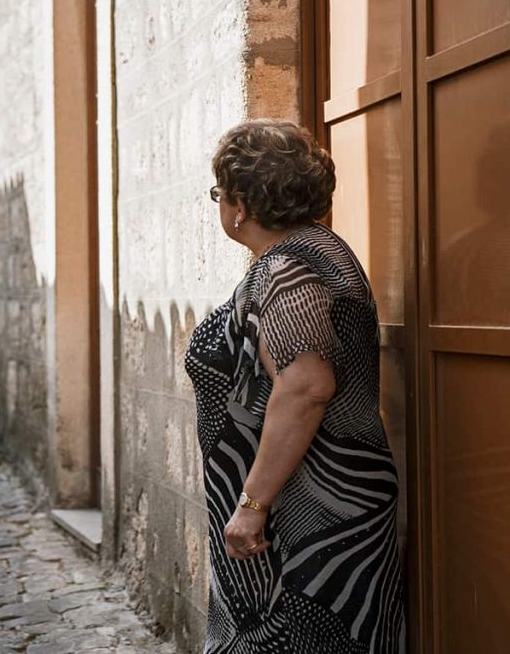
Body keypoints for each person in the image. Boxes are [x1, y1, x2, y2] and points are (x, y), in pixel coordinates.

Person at [185, 120, 405, 653]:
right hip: (323, 502)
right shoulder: (317, 251)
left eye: (220, 193)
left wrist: (253, 505)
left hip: (304, 514)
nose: (220, 205)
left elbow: (306, 386)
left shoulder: (287, 272)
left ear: (241, 203)